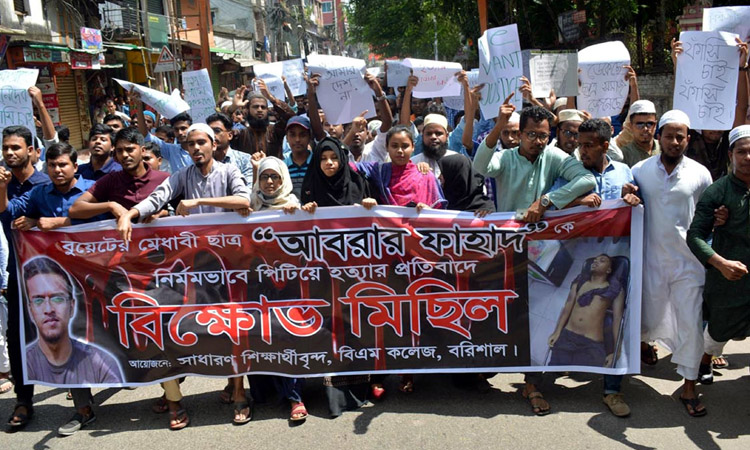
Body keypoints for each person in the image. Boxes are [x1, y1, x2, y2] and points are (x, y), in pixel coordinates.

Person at [472, 97, 596, 415]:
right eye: (532, 135)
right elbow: (480, 166)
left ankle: (532, 382)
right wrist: (499, 125)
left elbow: (587, 180)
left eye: (543, 135)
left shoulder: (552, 156)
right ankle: (484, 370)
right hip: (505, 248)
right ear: (519, 134)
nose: (538, 141)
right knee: (502, 310)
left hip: (542, 248)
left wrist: (547, 201)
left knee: (539, 314)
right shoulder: (506, 157)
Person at [632, 110, 712, 417]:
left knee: (691, 323)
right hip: (650, 261)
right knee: (645, 317)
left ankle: (689, 386)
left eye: (680, 137)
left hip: (688, 265)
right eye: (669, 136)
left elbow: (707, 213)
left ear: (688, 139)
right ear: (659, 137)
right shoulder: (639, 171)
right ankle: (642, 349)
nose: (674, 142)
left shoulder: (700, 174)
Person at [22, 256, 123, 433]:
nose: (48, 309)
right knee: (71, 344)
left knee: (119, 329)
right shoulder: (29, 361)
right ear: (30, 308)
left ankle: (169, 395)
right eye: (38, 300)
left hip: (112, 270)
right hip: (77, 265)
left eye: (56, 299)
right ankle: (83, 409)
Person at [687, 125, 750, 390]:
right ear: (731, 155)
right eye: (742, 152)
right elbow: (695, 236)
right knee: (718, 329)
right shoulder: (718, 191)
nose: (747, 157)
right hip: (729, 278)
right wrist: (720, 263)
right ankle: (705, 361)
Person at [1, 125, 50, 430]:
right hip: (17, 272)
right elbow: (6, 216)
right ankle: (23, 400)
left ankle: (80, 397)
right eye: (5, 148)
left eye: (15, 147)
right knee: (18, 336)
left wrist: (39, 221)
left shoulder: (46, 182)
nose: (9, 153)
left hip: (53, 272)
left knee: (66, 330)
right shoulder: (3, 184)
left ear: (31, 151)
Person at [69, 128, 170, 223]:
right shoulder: (111, 180)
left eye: (130, 149)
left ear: (142, 151)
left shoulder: (164, 179)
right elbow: (75, 209)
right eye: (119, 151)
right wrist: (111, 206)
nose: (124, 155)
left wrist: (163, 213)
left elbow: (178, 211)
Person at [206, 113, 254, 185]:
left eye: (217, 131)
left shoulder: (244, 159)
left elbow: (248, 188)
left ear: (230, 135)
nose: (212, 135)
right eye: (209, 132)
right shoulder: (203, 161)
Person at [619, 100, 660, 167]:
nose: (645, 129)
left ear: (655, 125)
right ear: (631, 126)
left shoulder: (664, 148)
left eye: (649, 124)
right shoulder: (624, 155)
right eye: (640, 124)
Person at [283, 116, 313, 198]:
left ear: (310, 137)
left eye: (302, 135)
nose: (297, 139)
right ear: (286, 138)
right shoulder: (282, 165)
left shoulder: (317, 163)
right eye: (292, 135)